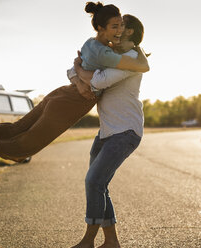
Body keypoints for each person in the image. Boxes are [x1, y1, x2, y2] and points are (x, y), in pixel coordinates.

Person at [0, 2, 149, 162]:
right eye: (115, 27)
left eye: (121, 26)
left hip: (61, 93)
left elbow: (73, 67)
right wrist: (139, 53)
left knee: (15, 128)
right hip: (72, 102)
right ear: (102, 28)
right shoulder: (108, 54)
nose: (119, 31)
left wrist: (79, 75)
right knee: (23, 147)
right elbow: (132, 69)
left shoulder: (90, 43)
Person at [71, 14, 146, 248]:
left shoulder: (131, 58)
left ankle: (88, 241)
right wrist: (78, 73)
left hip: (125, 131)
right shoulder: (114, 56)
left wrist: (80, 73)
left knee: (94, 181)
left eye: (121, 24)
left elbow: (100, 82)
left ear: (130, 31)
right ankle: (111, 241)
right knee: (99, 184)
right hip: (107, 132)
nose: (117, 28)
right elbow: (73, 72)